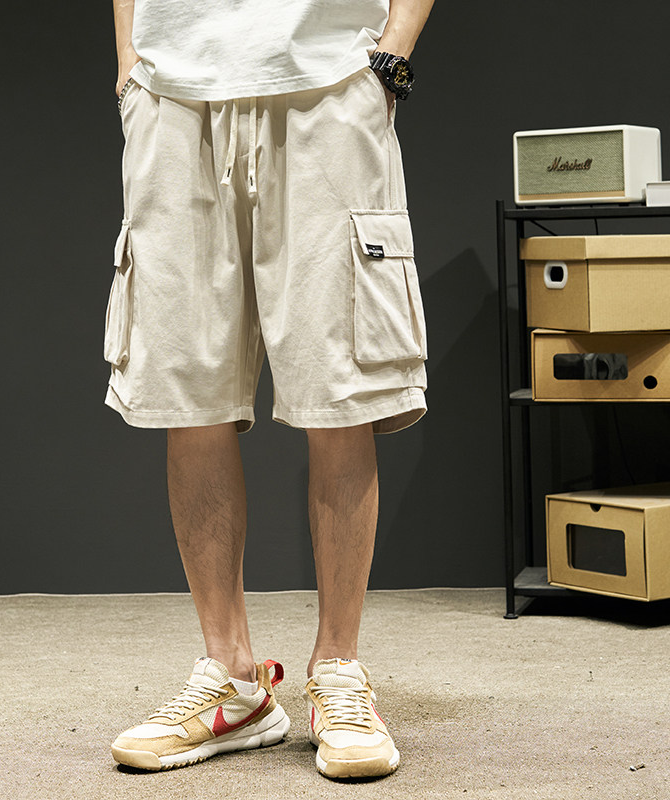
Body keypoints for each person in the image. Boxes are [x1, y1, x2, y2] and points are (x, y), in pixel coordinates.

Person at [104, 0, 434, 780]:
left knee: (341, 391)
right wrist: (129, 64)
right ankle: (233, 680)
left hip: (328, 80)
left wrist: (391, 53)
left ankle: (339, 671)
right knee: (189, 394)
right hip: (172, 90)